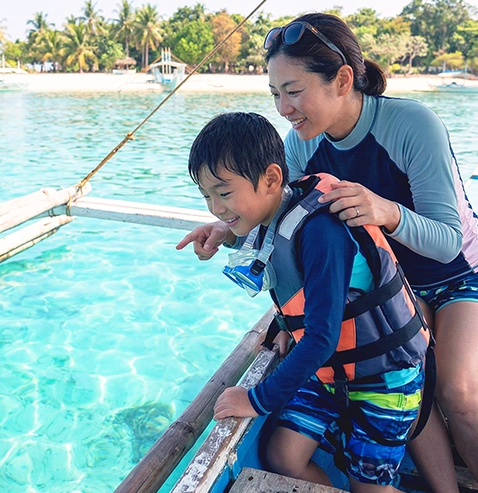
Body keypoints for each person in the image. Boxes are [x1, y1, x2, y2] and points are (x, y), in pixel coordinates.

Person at [183, 13, 478, 493]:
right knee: (401, 370)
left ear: (341, 80)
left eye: (293, 91)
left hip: (459, 275)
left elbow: (446, 243)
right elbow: (279, 216)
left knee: (457, 389)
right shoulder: (300, 145)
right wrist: (226, 231)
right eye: (275, 93)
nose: (284, 108)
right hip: (386, 280)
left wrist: (385, 210)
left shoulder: (411, 124)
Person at [177, 112, 431, 491]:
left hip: (385, 379)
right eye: (206, 195)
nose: (215, 207)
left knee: (369, 486)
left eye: (224, 192)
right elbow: (286, 273)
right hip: (333, 373)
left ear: (272, 179)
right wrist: (225, 237)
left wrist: (258, 399)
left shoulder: (321, 232)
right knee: (283, 457)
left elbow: (322, 336)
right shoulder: (277, 213)